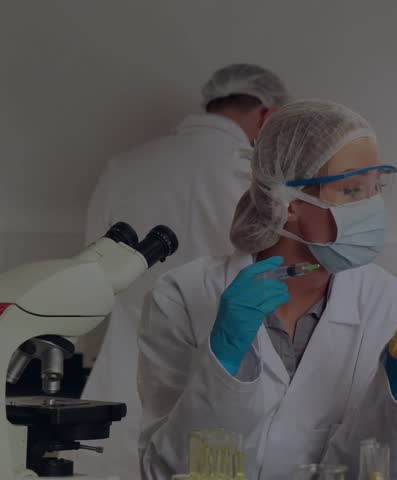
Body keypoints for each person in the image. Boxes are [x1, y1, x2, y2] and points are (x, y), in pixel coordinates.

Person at [137, 100, 397, 479]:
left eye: (376, 188)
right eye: (352, 190)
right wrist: (223, 365)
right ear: (286, 202)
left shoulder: (388, 302)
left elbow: (381, 472)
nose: (374, 208)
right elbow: (163, 469)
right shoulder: (183, 295)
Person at [75, 64, 289, 480]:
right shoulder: (262, 179)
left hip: (119, 381)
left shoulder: (124, 167)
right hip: (219, 370)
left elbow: (92, 277)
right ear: (267, 116)